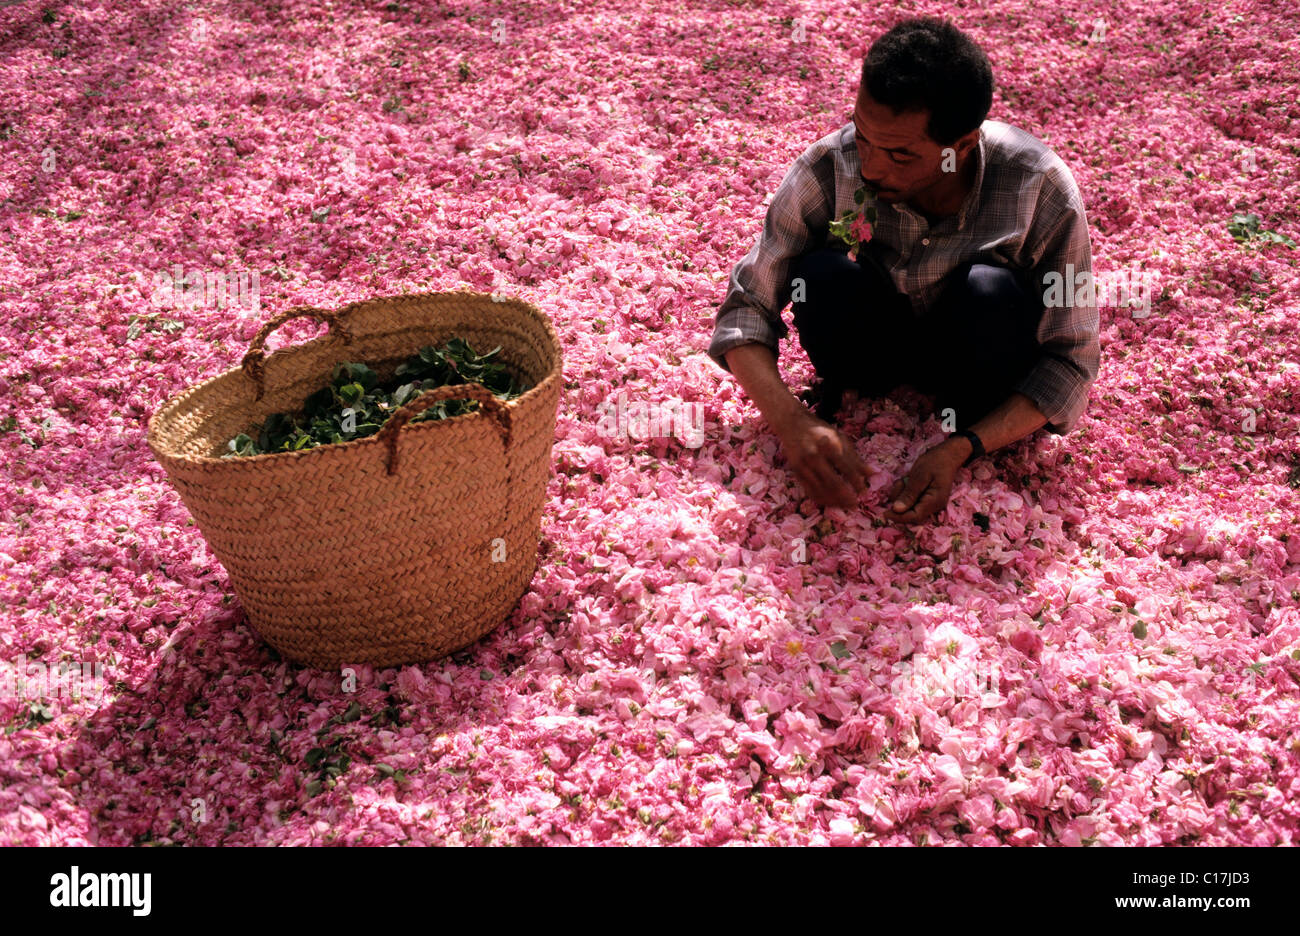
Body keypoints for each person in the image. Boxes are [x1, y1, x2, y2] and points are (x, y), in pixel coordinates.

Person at [707, 16, 1101, 524]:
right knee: (823, 273)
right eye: (865, 137)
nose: (871, 167)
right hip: (869, 354)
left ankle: (965, 408)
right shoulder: (831, 165)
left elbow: (1071, 363)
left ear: (960, 146)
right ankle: (858, 387)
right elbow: (745, 309)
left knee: (990, 290)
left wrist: (962, 447)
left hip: (976, 368)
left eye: (899, 154)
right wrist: (792, 423)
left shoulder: (1038, 187)